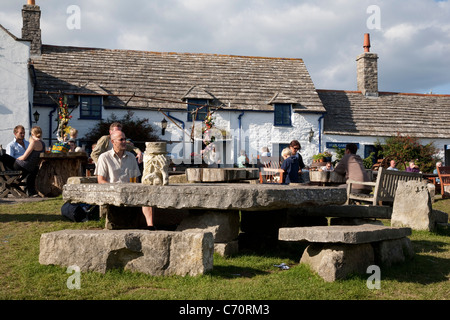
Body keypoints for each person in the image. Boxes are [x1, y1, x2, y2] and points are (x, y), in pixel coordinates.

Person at [95, 130, 155, 229]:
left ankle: (150, 226)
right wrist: (115, 188)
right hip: (113, 192)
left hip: (130, 190)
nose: (124, 142)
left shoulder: (131, 157)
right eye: (121, 139)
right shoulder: (104, 157)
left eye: (125, 139)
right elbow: (101, 180)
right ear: (113, 142)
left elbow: (135, 179)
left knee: (147, 194)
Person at [0, 126, 45, 196]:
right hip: (25, 165)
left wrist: (18, 159)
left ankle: (29, 190)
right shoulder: (11, 145)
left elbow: (24, 157)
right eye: (21, 133)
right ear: (15, 133)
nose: (23, 134)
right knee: (4, 156)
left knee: (3, 156)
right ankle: (30, 191)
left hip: (23, 165)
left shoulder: (30, 143)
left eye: (24, 133)